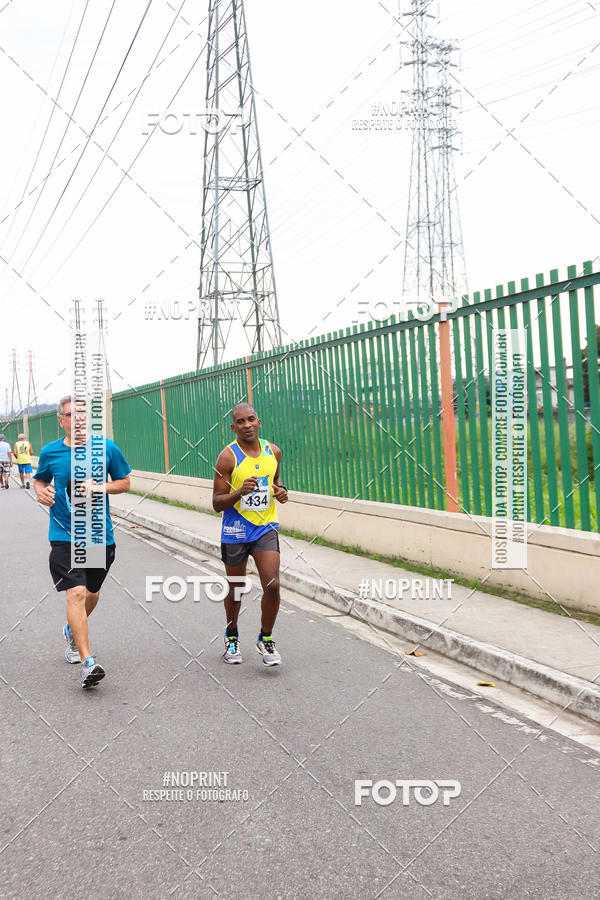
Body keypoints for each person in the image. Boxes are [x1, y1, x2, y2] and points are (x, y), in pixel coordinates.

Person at [33, 395, 131, 689]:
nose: (76, 419)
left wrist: (99, 486)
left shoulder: (106, 448)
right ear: (60, 420)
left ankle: (71, 630)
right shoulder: (50, 452)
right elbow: (39, 479)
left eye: (81, 414)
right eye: (69, 414)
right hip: (65, 535)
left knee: (91, 593)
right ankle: (88, 662)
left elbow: (125, 482)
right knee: (75, 593)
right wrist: (40, 491)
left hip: (99, 535)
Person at [212, 402, 288, 667]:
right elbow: (216, 502)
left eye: (251, 420)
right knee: (236, 588)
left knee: (273, 584)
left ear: (259, 422)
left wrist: (281, 491)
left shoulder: (273, 452)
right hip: (235, 530)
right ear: (233, 427)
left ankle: (265, 638)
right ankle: (231, 635)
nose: (246, 425)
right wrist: (238, 493)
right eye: (240, 422)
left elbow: (275, 482)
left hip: (265, 527)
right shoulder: (227, 457)